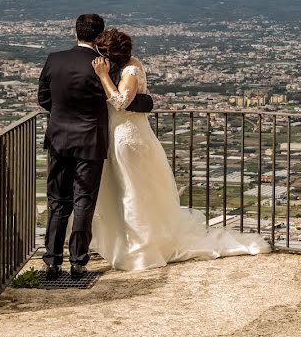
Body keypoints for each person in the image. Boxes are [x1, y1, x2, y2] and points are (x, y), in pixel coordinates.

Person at [90, 27, 270, 270]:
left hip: (128, 139)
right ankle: (130, 245)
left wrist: (102, 76)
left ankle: (141, 251)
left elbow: (122, 102)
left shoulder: (130, 69)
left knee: (133, 192)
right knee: (126, 192)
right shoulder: (123, 67)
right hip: (121, 136)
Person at [37, 14, 156, 279]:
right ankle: (78, 262)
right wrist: (147, 102)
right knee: (84, 201)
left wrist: (63, 116)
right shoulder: (106, 66)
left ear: (75, 32)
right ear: (99, 36)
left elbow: (43, 98)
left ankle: (52, 262)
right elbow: (118, 100)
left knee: (57, 201)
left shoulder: (54, 59)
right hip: (90, 140)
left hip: (59, 139)